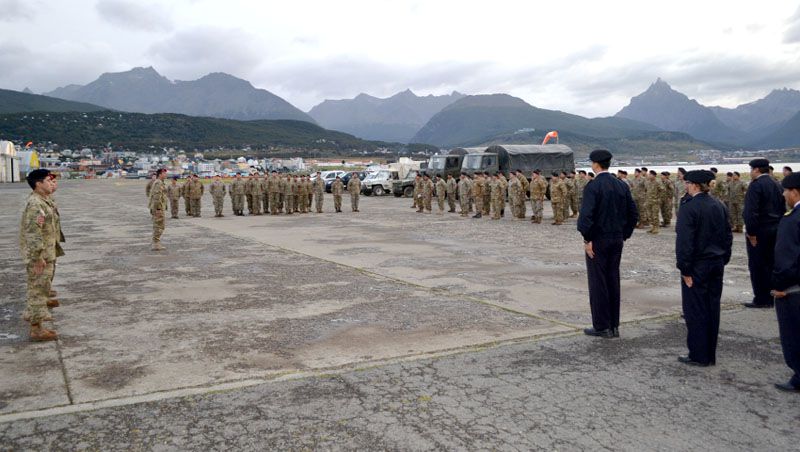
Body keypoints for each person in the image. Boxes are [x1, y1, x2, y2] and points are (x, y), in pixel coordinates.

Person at [577, 150, 638, 338]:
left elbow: (586, 217)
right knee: (613, 280)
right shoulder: (621, 185)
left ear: (595, 164)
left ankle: (602, 326)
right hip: (616, 238)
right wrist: (624, 234)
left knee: (598, 282)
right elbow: (633, 213)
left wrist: (587, 239)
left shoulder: (593, 186)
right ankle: (614, 325)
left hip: (599, 240)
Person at [675, 170, 733, 366]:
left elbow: (685, 242)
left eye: (687, 183)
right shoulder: (719, 205)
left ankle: (699, 355)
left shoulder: (689, 207)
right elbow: (728, 235)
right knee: (712, 308)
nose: (685, 186)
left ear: (695, 185)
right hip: (716, 263)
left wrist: (685, 269)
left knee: (696, 310)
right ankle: (709, 354)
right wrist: (724, 258)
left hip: (697, 265)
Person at [20, 169, 59, 341]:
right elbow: (33, 233)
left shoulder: (43, 200)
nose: (51, 183)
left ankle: (33, 315)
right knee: (38, 291)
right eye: (48, 180)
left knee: (39, 288)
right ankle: (36, 329)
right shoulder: (36, 204)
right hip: (40, 256)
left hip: (46, 252)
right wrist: (37, 257)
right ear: (38, 184)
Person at [770, 172, 800, 392]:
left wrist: (780, 286)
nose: (783, 195)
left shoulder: (792, 220)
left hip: (793, 290)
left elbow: (786, 258)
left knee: (793, 334)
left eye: (786, 191)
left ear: (795, 192)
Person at [743, 158, 786, 308]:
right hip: (775, 229)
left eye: (751, 170)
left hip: (760, 230)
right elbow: (782, 207)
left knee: (758, 265)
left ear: (756, 170)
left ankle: (762, 299)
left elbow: (751, 212)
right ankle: (772, 296)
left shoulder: (756, 185)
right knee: (771, 264)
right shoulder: (776, 184)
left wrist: (751, 233)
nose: (750, 173)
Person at [149, 168, 168, 251]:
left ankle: (156, 242)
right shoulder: (158, 183)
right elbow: (157, 197)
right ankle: (156, 244)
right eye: (164, 173)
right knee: (159, 226)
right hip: (158, 208)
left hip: (159, 207)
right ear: (160, 174)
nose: (166, 174)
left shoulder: (160, 182)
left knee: (158, 225)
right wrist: (158, 208)